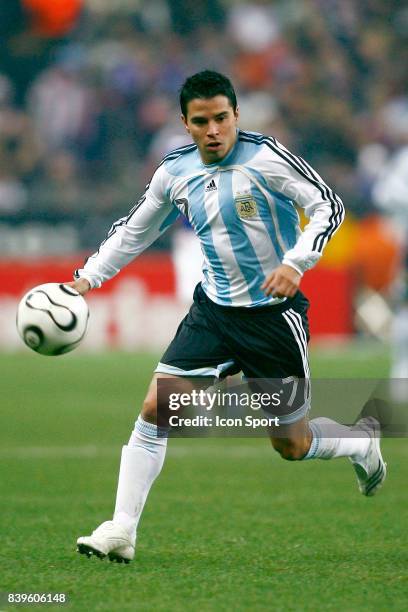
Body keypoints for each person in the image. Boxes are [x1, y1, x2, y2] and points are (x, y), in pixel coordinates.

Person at [71, 71, 386, 564]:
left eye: (222, 118)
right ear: (186, 124)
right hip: (213, 314)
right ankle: (120, 530)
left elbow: (328, 206)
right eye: (202, 122)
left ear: (236, 115)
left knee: (291, 444)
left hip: (272, 320)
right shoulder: (174, 172)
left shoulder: (266, 159)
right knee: (156, 409)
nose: (214, 129)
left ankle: (360, 442)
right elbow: (134, 232)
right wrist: (88, 278)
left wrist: (294, 262)